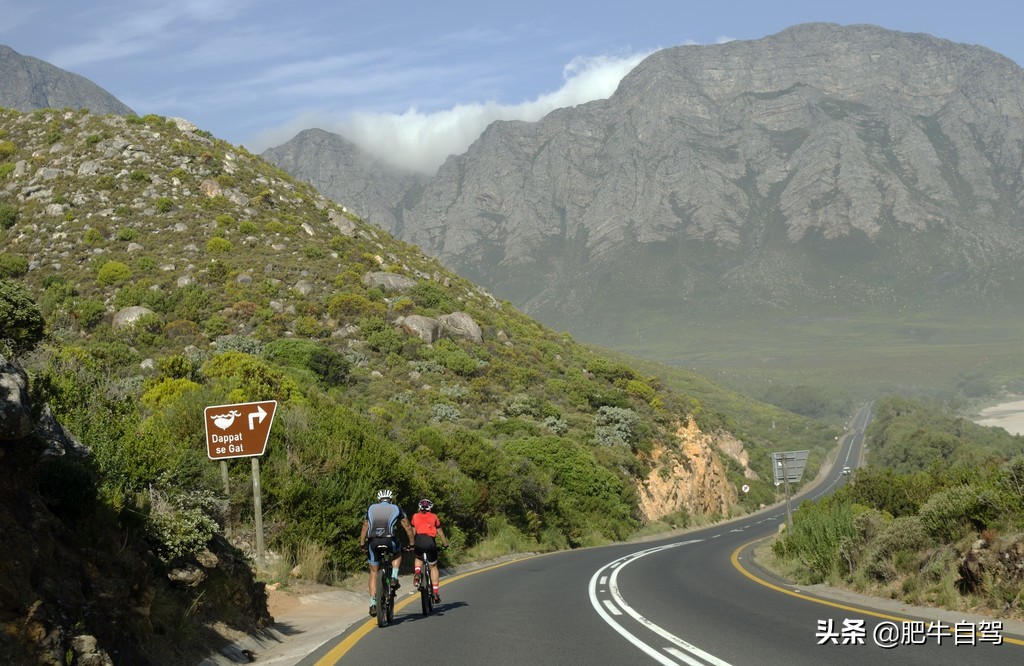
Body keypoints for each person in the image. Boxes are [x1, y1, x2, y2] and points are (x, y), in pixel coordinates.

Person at [358, 488, 415, 617]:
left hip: (373, 542)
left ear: (378, 500)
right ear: (391, 500)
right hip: (389, 541)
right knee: (398, 552)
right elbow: (407, 527)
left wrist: (362, 544)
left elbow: (365, 526)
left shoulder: (371, 508)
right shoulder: (396, 508)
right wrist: (412, 543)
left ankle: (373, 604)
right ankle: (394, 577)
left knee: (373, 572)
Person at [411, 498, 449, 603]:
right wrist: (445, 544)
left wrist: (412, 544)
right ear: (430, 508)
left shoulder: (415, 516)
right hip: (430, 541)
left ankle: (417, 572)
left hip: (419, 540)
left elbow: (413, 531)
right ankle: (435, 592)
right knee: (433, 567)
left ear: (419, 508)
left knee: (418, 557)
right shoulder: (434, 517)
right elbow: (440, 532)